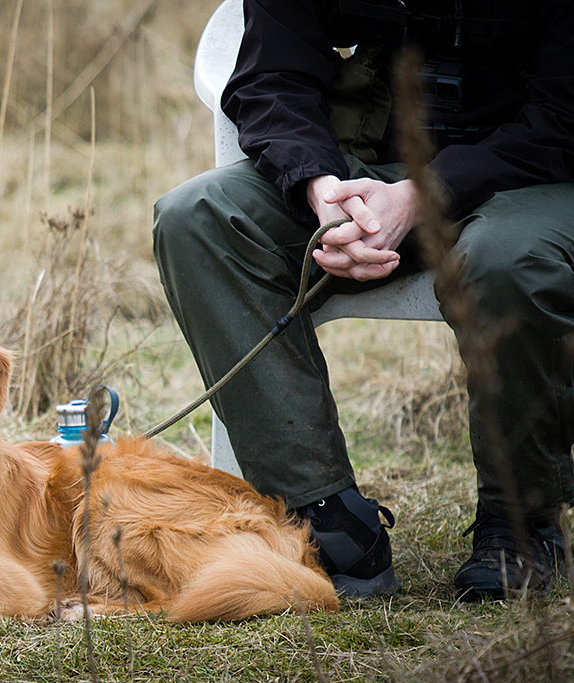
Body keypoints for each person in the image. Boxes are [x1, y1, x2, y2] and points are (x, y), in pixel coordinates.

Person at [153, 0, 574, 600]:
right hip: (360, 174)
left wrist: (423, 194)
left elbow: (563, 118)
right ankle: (323, 521)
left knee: (511, 264)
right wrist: (318, 187)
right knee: (195, 217)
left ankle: (520, 526)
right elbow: (272, 77)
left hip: (529, 178)